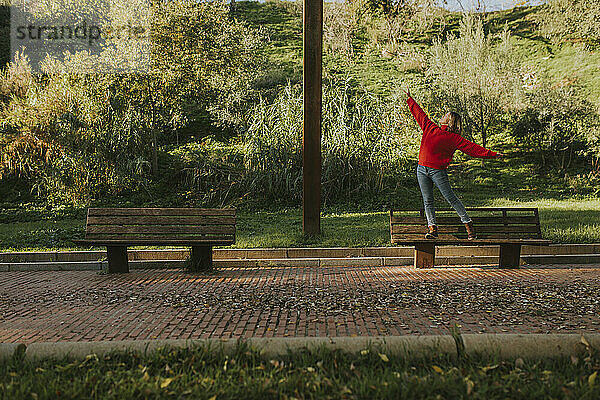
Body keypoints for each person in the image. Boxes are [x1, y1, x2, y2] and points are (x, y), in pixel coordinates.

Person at [404, 88, 504, 240]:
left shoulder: (454, 138)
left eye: (446, 115)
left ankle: (468, 224)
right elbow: (419, 114)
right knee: (427, 200)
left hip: (438, 171)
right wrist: (409, 99)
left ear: (450, 121)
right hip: (421, 169)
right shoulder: (430, 127)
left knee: (450, 198)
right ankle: (432, 229)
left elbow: (473, 149)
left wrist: (493, 155)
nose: (442, 116)